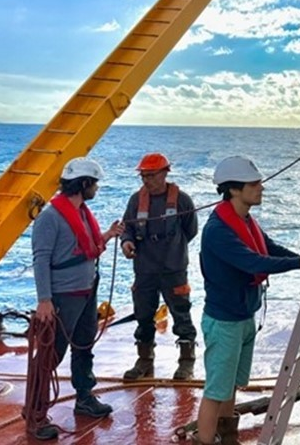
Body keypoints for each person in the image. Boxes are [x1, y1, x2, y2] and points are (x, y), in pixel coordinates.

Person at [194, 155, 300, 445]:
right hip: (225, 321)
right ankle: (203, 440)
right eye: (254, 184)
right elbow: (252, 262)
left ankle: (227, 437)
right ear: (235, 189)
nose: (261, 188)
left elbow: (269, 247)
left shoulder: (244, 220)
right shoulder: (217, 231)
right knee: (216, 390)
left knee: (231, 386)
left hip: (243, 315)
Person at [29, 157, 124, 437]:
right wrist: (44, 300)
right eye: (94, 183)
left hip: (86, 291)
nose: (96, 188)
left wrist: (107, 235)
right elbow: (41, 259)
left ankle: (84, 398)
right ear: (83, 184)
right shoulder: (50, 217)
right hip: (63, 297)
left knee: (84, 345)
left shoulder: (81, 213)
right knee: (51, 353)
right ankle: (35, 413)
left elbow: (83, 248)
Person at [119, 152, 199, 381]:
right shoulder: (136, 200)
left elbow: (190, 230)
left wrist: (173, 248)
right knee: (143, 314)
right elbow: (128, 227)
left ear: (164, 174)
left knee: (181, 314)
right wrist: (127, 242)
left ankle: (186, 363)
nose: (146, 180)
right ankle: (144, 359)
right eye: (143, 176)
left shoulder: (182, 201)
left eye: (151, 175)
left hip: (173, 269)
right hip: (144, 269)